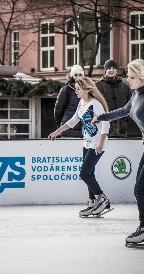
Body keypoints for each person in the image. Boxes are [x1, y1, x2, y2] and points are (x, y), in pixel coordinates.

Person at [92, 59, 144, 244]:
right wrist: (101, 117)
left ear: (142, 77)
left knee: (140, 188)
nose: (128, 80)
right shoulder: (136, 94)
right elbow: (123, 110)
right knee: (139, 187)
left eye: (131, 77)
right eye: (128, 76)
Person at [49, 76, 112, 217]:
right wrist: (57, 132)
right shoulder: (82, 103)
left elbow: (106, 124)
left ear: (86, 89)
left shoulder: (95, 104)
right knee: (90, 174)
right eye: (76, 89)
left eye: (78, 89)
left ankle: (102, 199)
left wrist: (101, 143)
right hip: (87, 143)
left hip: (97, 143)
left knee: (84, 173)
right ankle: (92, 202)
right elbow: (73, 121)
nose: (76, 91)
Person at [96, 59, 132, 137]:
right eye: (109, 68)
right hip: (104, 129)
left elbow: (130, 106)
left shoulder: (124, 87)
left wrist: (126, 119)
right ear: (105, 70)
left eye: (113, 68)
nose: (111, 70)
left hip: (121, 129)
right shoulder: (97, 86)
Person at [53, 65, 84, 138]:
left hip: (83, 131)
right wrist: (62, 126)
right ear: (71, 75)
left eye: (80, 75)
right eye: (76, 75)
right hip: (68, 131)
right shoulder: (66, 89)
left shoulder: (86, 90)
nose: (78, 77)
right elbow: (58, 111)